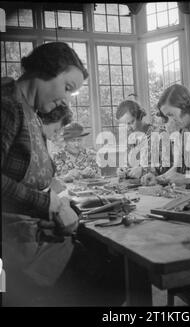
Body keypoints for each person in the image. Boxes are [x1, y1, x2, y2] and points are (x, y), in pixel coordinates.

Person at [1, 42, 124, 306]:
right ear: (47, 69)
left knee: (111, 257)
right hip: (16, 251)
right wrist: (52, 206)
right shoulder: (7, 105)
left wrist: (59, 205)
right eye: (67, 88)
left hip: (33, 237)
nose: (66, 100)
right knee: (115, 280)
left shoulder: (29, 111)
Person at [116, 99, 156, 179]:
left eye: (131, 122)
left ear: (140, 116)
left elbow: (165, 169)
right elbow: (128, 164)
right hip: (137, 187)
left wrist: (143, 170)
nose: (128, 128)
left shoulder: (156, 134)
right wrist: (122, 170)